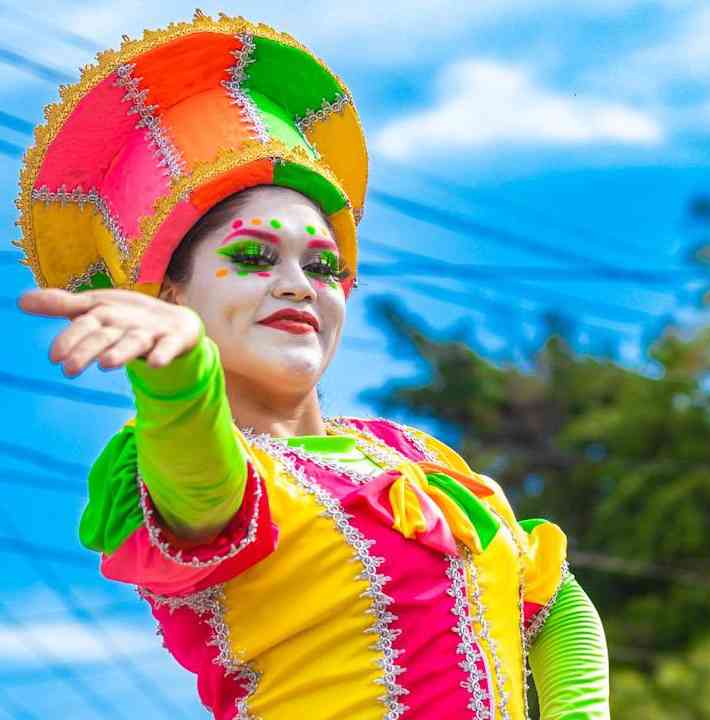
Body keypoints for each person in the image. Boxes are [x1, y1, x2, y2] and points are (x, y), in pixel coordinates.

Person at [15, 13, 608, 719]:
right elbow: (202, 487)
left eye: (323, 266)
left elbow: (554, 601)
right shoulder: (180, 464)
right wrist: (178, 369)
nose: (299, 284)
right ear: (171, 294)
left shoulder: (413, 455)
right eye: (253, 257)